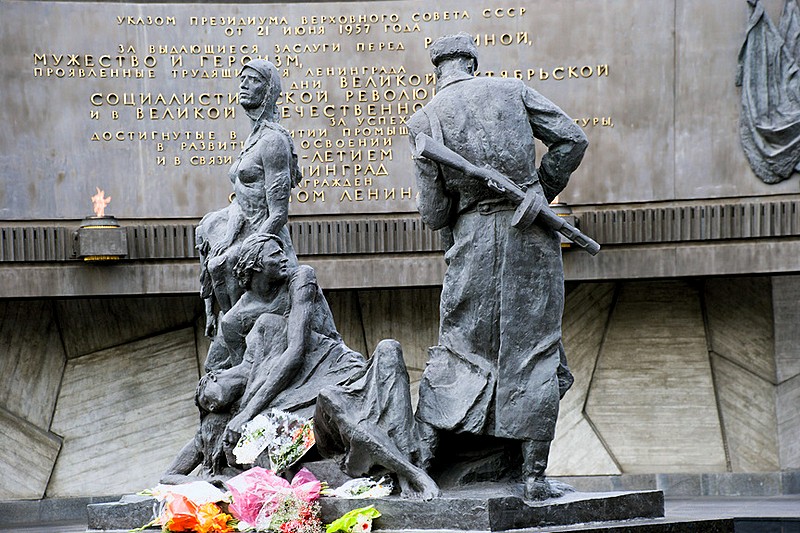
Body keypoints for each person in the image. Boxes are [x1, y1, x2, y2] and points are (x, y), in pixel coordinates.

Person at [407, 33, 588, 501]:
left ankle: (424, 466)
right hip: (529, 238)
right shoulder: (512, 90)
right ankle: (533, 478)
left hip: (471, 245)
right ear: (472, 61)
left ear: (438, 69)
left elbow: (433, 215)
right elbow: (572, 139)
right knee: (535, 349)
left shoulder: (425, 119)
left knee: (459, 348)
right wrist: (538, 190)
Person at [199, 58, 301, 370]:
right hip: (245, 235)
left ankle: (242, 363)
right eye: (242, 79)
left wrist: (248, 251)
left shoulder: (273, 142)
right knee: (216, 256)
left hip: (266, 245)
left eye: (253, 80)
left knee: (226, 261)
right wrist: (225, 233)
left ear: (269, 90)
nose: (243, 84)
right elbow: (241, 202)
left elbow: (278, 214)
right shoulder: (254, 137)